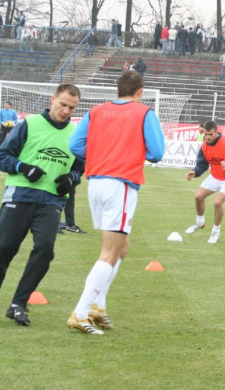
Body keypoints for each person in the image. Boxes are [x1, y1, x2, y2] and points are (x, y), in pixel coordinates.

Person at [67, 71, 165, 335]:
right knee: (110, 251)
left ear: (117, 89)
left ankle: (98, 306)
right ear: (140, 91)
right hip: (120, 183)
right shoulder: (144, 113)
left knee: (121, 248)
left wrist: (102, 153)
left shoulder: (96, 111)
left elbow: (75, 144)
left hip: (96, 182)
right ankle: (81, 312)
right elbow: (156, 153)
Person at [0, 84, 84, 325]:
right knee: (2, 251)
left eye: (71, 107)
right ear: (53, 99)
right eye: (62, 104)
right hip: (19, 196)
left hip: (51, 202)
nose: (65, 111)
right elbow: (1, 156)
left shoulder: (76, 134)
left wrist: (71, 178)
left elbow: (80, 168)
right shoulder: (29, 125)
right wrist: (23, 167)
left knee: (45, 250)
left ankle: (18, 304)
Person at [185, 121, 225, 244]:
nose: (207, 137)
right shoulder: (204, 146)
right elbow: (202, 165)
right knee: (198, 196)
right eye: (205, 134)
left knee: (218, 203)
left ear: (216, 132)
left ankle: (215, 232)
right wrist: (195, 172)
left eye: (210, 134)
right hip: (215, 176)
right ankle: (200, 222)